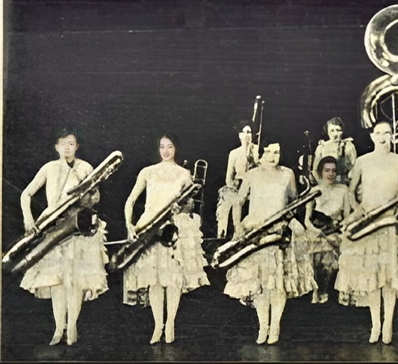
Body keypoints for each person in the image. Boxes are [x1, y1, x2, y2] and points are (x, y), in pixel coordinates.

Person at [335, 122, 398, 344]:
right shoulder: (362, 161)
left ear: (392, 136)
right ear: (371, 136)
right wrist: (359, 209)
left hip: (390, 222)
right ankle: (375, 325)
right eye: (378, 133)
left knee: (389, 276)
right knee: (372, 275)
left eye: (386, 133)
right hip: (368, 222)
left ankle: (387, 324)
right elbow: (351, 191)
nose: (382, 137)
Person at [18, 128, 110, 346]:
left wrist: (89, 193)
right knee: (57, 281)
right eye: (63, 144)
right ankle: (59, 328)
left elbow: (95, 198)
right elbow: (26, 194)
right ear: (56, 147)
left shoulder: (86, 167)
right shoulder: (49, 168)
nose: (67, 148)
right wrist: (29, 220)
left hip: (80, 227)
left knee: (76, 280)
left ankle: (73, 325)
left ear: (77, 146)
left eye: (71, 143)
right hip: (54, 226)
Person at [222, 143, 316, 345]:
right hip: (255, 232)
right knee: (260, 284)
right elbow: (238, 202)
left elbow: (293, 202)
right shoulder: (252, 174)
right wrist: (238, 226)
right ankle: (263, 325)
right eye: (268, 152)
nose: (272, 156)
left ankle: (275, 326)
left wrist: (285, 220)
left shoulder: (287, 174)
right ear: (260, 153)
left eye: (276, 152)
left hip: (278, 233)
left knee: (277, 284)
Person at [122, 134, 211, 344]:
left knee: (172, 279)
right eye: (162, 147)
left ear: (176, 149)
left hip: (173, 229)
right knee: (155, 280)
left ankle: (170, 323)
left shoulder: (184, 174)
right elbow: (131, 200)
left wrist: (182, 207)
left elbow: (190, 204)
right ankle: (158, 325)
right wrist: (129, 224)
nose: (165, 151)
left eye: (169, 146)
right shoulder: (148, 171)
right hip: (150, 227)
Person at [301, 156, 350, 304]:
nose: (330, 174)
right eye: (327, 170)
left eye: (333, 171)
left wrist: (340, 226)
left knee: (336, 244)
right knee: (317, 247)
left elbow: (347, 217)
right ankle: (319, 290)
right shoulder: (314, 191)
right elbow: (307, 220)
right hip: (317, 230)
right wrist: (316, 231)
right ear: (321, 172)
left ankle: (335, 290)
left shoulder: (343, 190)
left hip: (336, 230)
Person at [217, 121, 258, 239]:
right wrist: (234, 185)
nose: (246, 136)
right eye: (244, 132)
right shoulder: (234, 153)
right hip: (237, 187)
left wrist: (253, 160)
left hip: (254, 187)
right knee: (229, 203)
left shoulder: (257, 150)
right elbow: (228, 177)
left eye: (249, 132)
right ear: (239, 135)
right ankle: (227, 233)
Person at [312, 117, 358, 183]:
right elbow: (315, 170)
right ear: (327, 132)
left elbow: (354, 169)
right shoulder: (321, 148)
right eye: (332, 131)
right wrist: (323, 184)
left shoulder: (348, 146)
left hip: (343, 184)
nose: (335, 134)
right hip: (325, 184)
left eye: (338, 130)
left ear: (343, 131)